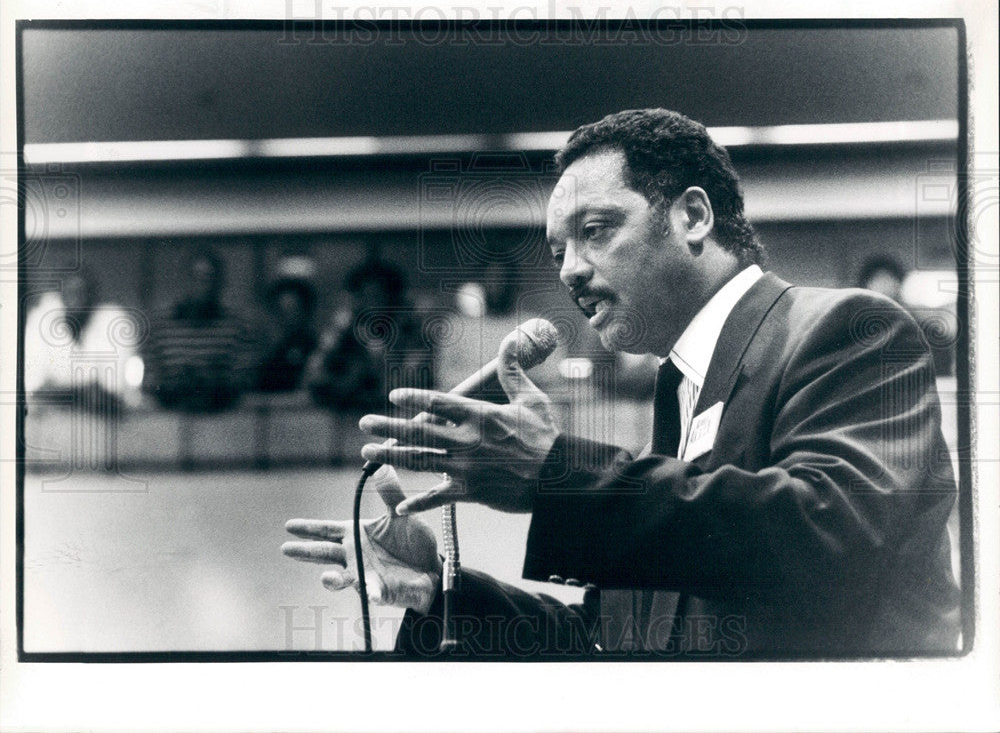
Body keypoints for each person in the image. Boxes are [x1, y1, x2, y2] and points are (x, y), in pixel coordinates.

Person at [283, 109, 960, 657]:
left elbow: (829, 534)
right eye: (558, 251)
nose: (571, 270)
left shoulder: (848, 329)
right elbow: (615, 641)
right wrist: (439, 592)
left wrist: (558, 474)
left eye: (596, 231)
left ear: (693, 217)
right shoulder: (679, 390)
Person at [305, 250, 433, 415]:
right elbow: (315, 380)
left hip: (400, 420)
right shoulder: (341, 336)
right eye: (364, 297)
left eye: (378, 297)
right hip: (347, 425)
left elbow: (406, 386)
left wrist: (376, 366)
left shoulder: (412, 336)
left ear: (393, 299)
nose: (371, 305)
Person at [142, 247, 257, 412]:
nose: (203, 286)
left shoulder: (237, 328)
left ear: (220, 283)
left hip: (222, 421)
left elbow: (243, 381)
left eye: (209, 278)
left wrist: (212, 383)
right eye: (196, 278)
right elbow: (149, 381)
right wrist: (178, 384)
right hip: (169, 421)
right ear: (184, 280)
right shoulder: (159, 327)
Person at [24, 267, 143, 413]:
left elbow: (113, 391)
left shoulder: (113, 321)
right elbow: (33, 389)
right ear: (61, 296)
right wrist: (83, 391)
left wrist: (61, 391)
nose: (76, 299)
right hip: (55, 420)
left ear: (94, 296)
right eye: (70, 292)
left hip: (104, 420)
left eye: (82, 292)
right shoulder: (42, 321)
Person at [256, 256, 319, 392]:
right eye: (282, 311)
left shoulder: (314, 347)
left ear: (304, 312)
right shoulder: (263, 348)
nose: (287, 318)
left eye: (293, 311)